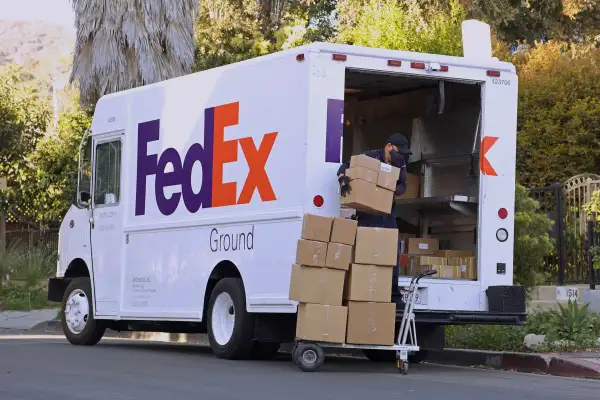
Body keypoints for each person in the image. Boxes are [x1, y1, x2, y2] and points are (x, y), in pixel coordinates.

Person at [337, 133, 412, 300]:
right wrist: (343, 179)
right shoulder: (368, 157)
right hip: (367, 213)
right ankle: (361, 291)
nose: (400, 156)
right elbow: (344, 168)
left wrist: (387, 187)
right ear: (389, 146)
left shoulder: (399, 163)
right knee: (366, 252)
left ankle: (393, 295)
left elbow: (403, 186)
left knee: (391, 253)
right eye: (399, 151)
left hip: (387, 213)